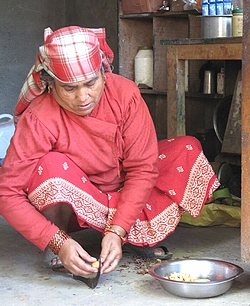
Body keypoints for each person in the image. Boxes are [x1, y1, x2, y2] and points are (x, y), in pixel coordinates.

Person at [0, 26, 220, 278]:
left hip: (126, 188)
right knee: (50, 165)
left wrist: (117, 229)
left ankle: (131, 235)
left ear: (104, 73)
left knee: (186, 148)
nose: (83, 97)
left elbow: (142, 168)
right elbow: (7, 193)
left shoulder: (125, 93)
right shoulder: (38, 117)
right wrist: (55, 240)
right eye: (69, 88)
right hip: (78, 202)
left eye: (91, 83)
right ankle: (61, 242)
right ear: (51, 85)